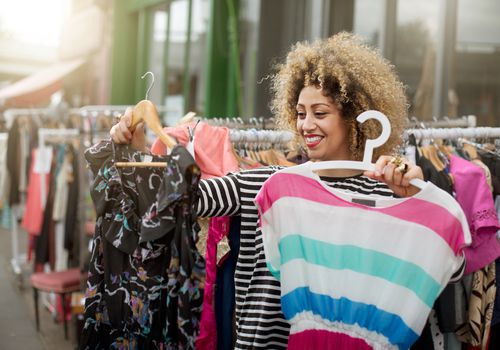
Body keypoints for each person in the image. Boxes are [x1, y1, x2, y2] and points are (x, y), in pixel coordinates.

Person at [111, 32, 425, 349]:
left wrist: (415, 198)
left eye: (320, 113)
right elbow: (181, 199)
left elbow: (440, 272)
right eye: (301, 114)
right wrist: (138, 153)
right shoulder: (267, 184)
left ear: (355, 119)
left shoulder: (382, 194)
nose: (306, 125)